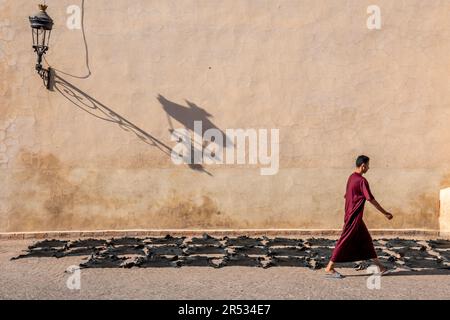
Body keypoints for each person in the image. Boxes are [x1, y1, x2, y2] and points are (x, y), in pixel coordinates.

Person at [325, 155, 393, 279]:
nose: (368, 168)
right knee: (344, 241)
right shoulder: (362, 181)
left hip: (352, 216)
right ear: (363, 166)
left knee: (366, 241)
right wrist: (385, 213)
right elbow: (370, 199)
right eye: (368, 165)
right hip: (354, 217)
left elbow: (346, 196)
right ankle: (329, 268)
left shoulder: (351, 178)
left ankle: (381, 268)